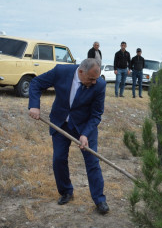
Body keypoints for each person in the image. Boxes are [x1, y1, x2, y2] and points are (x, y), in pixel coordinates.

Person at [28, 58, 109, 215]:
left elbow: (96, 114)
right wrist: (34, 105)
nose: (93, 82)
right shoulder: (61, 71)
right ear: (80, 72)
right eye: (91, 79)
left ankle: (99, 199)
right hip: (60, 123)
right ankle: (66, 192)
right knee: (59, 159)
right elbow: (36, 83)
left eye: (96, 79)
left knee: (92, 162)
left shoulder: (99, 85)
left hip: (85, 126)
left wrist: (85, 134)